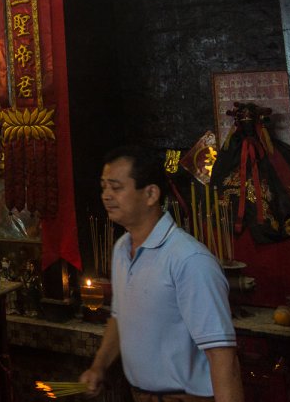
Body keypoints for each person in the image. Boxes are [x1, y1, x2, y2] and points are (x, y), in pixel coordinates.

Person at [81, 146, 243, 402]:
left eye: (116, 187)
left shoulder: (189, 260)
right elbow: (120, 316)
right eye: (103, 187)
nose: (106, 196)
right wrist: (98, 367)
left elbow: (223, 359)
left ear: (150, 194)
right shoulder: (122, 249)